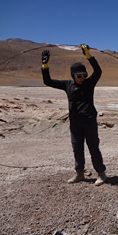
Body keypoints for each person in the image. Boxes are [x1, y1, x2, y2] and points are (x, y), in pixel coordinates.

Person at [41, 44, 107, 186]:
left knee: (93, 147)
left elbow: (98, 71)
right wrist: (45, 66)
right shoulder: (67, 85)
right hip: (75, 123)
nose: (82, 78)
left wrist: (88, 55)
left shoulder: (89, 83)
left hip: (89, 121)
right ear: (73, 76)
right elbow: (48, 81)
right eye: (79, 76)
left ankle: (101, 174)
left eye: (84, 75)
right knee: (77, 148)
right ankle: (80, 174)